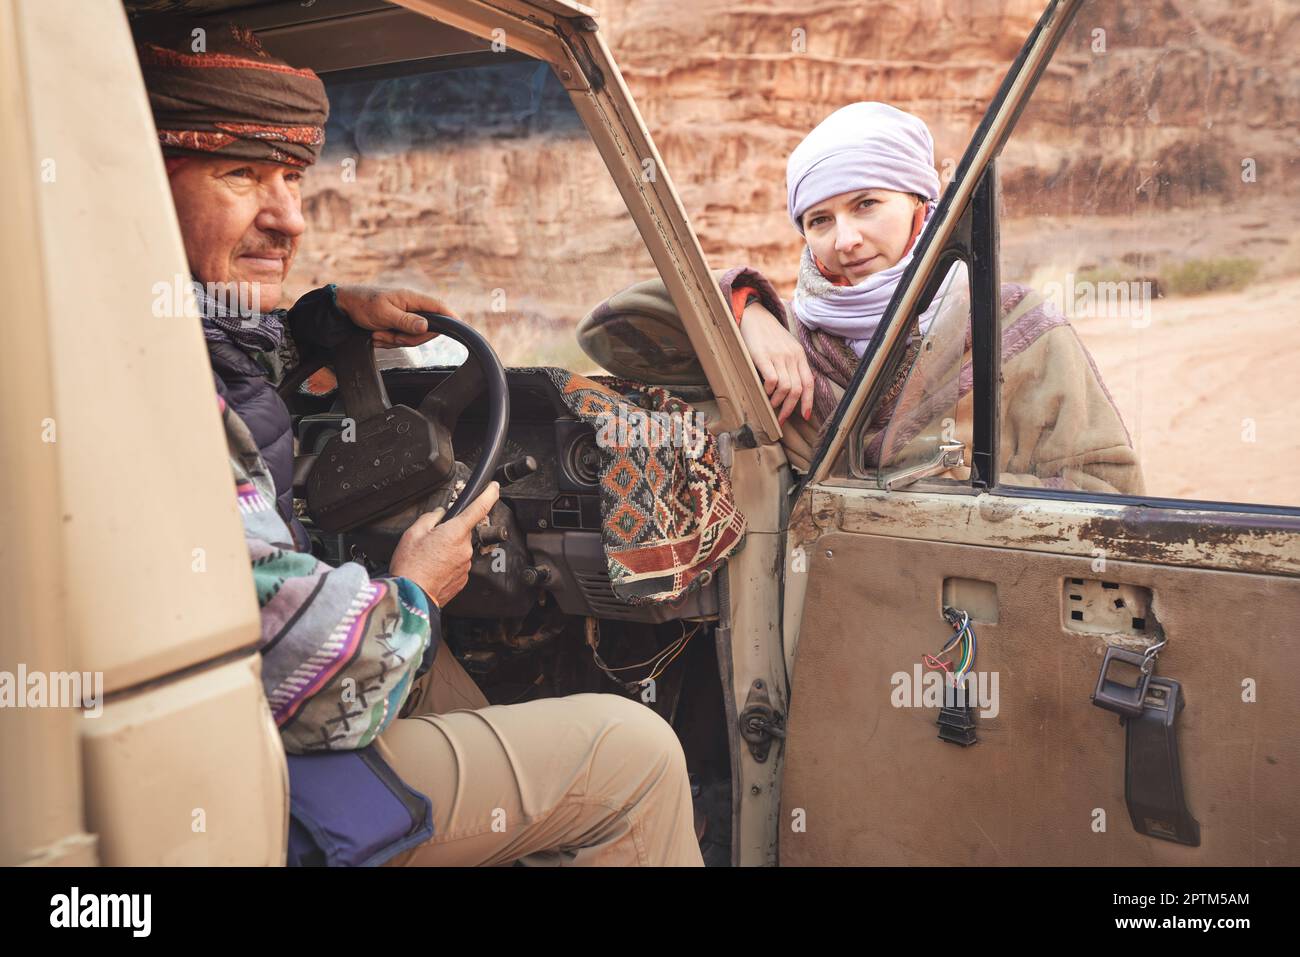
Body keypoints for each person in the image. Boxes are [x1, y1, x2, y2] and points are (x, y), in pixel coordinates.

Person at [138, 18, 703, 866]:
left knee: (435, 678)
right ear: (144, 187)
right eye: (240, 174)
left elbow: (238, 365)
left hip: (212, 727)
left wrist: (326, 318)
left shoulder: (153, 335)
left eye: (292, 175)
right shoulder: (155, 395)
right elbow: (293, 655)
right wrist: (415, 588)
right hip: (235, 766)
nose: (288, 217)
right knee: (638, 754)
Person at [586, 102, 1144, 493]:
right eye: (819, 220)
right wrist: (746, 306)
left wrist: (924, 490)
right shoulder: (789, 344)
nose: (845, 239)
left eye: (867, 204)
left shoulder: (1014, 326)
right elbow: (609, 334)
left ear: (920, 206)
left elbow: (1106, 491)